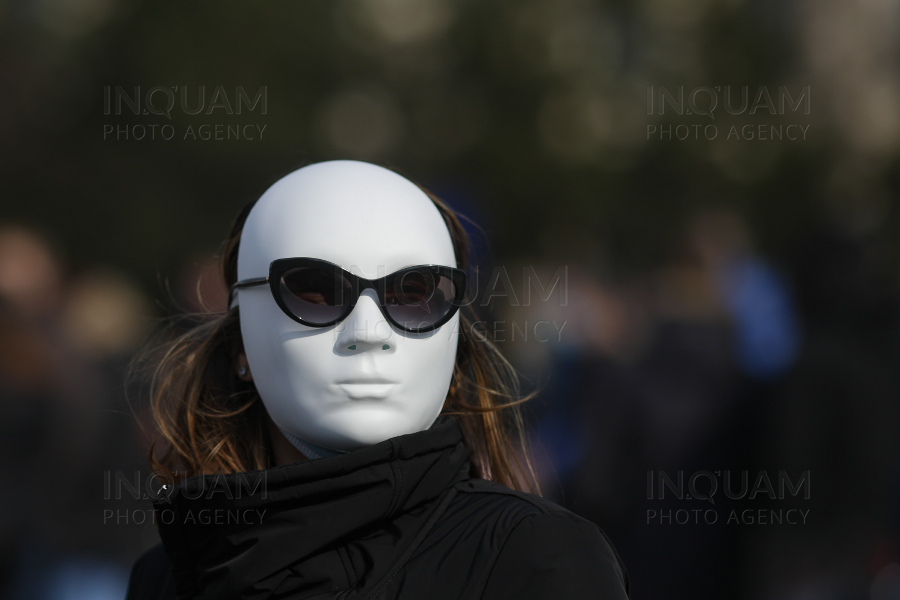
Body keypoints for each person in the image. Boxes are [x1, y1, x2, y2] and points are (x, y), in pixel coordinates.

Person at [125, 160, 630, 600]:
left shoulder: (533, 556)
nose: (368, 333)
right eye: (315, 292)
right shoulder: (173, 574)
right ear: (241, 346)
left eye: (415, 295)